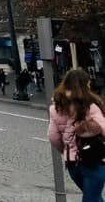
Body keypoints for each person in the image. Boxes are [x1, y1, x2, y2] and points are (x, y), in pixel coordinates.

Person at [47, 68, 105, 201]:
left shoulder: (56, 108)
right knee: (92, 198)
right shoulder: (91, 107)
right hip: (93, 159)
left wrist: (67, 149)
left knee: (93, 197)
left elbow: (53, 137)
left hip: (72, 163)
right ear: (85, 85)